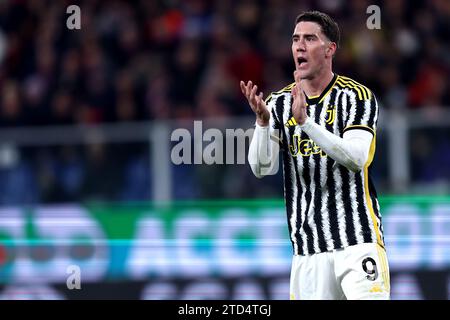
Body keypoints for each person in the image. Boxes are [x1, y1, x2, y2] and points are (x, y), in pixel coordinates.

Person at [241, 11, 390, 300]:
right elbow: (261, 167)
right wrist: (261, 123)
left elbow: (356, 157)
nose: (300, 46)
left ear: (330, 49)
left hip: (357, 242)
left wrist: (307, 124)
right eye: (296, 39)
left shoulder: (356, 96)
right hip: (307, 253)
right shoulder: (278, 103)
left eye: (310, 38)